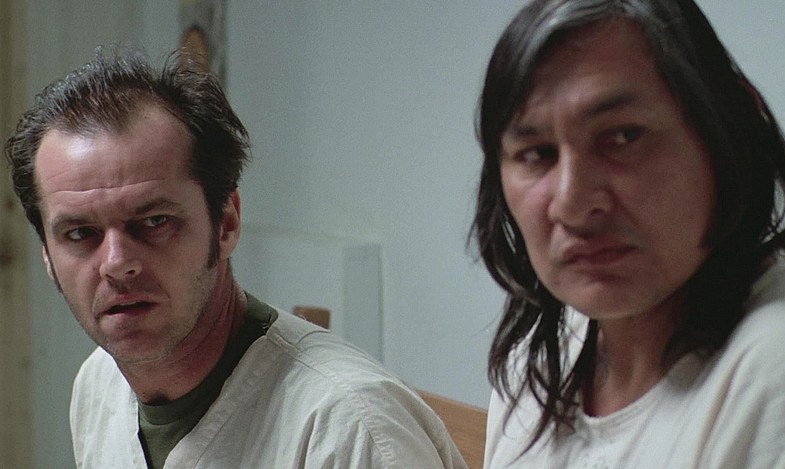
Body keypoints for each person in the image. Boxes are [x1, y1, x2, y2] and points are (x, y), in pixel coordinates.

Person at [4, 48, 465, 469]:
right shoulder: (100, 385)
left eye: (155, 222)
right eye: (79, 233)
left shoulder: (350, 431)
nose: (116, 263)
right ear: (47, 255)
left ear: (225, 224)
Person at [471, 0, 785, 467]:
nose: (573, 204)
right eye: (537, 153)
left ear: (731, 130)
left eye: (623, 137)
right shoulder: (538, 363)